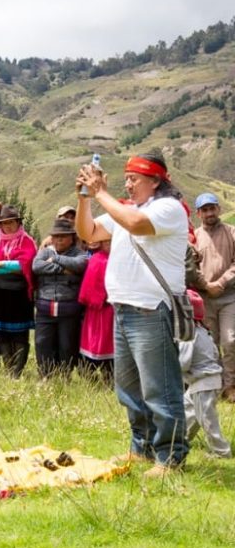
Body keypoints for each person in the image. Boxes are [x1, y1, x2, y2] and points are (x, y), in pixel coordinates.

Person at [77, 152, 190, 476]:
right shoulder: (127, 208)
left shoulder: (168, 209)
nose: (128, 184)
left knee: (159, 387)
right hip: (123, 308)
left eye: (134, 179)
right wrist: (84, 199)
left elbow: (137, 225)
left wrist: (100, 192)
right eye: (125, 178)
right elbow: (89, 233)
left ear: (156, 180)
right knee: (128, 388)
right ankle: (141, 449)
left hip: (151, 309)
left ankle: (170, 457)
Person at [190, 192, 235, 402]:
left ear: (219, 209)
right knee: (211, 344)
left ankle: (230, 386)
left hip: (229, 297)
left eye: (212, 208)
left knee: (230, 341)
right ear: (198, 213)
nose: (209, 213)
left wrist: (221, 282)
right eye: (205, 210)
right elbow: (190, 267)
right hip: (204, 298)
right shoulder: (194, 237)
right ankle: (214, 387)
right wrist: (206, 285)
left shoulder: (231, 232)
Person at [0, 205, 37, 377]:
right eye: (4, 223)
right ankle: (8, 368)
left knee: (20, 334)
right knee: (2, 333)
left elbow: (25, 265)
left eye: (11, 223)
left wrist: (1, 265)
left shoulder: (27, 241)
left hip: (19, 295)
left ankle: (17, 372)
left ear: (18, 222)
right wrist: (10, 265)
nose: (8, 227)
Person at [179, 289, 232, 458]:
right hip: (204, 380)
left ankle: (221, 451)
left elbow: (183, 362)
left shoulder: (188, 335)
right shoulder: (203, 332)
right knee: (188, 410)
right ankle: (180, 438)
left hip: (203, 381)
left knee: (207, 419)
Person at [32, 218, 87, 378]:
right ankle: (45, 376)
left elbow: (80, 264)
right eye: (56, 236)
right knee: (42, 343)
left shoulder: (79, 253)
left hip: (68, 310)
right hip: (44, 308)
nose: (59, 239)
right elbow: (36, 266)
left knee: (67, 345)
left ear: (72, 238)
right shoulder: (45, 252)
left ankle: (65, 377)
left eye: (63, 236)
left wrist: (56, 259)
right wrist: (63, 270)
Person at [78, 239, 114, 378]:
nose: (110, 245)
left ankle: (109, 375)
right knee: (95, 340)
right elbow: (89, 286)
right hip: (97, 310)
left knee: (111, 343)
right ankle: (89, 374)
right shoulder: (97, 260)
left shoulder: (117, 259)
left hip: (113, 309)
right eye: (107, 242)